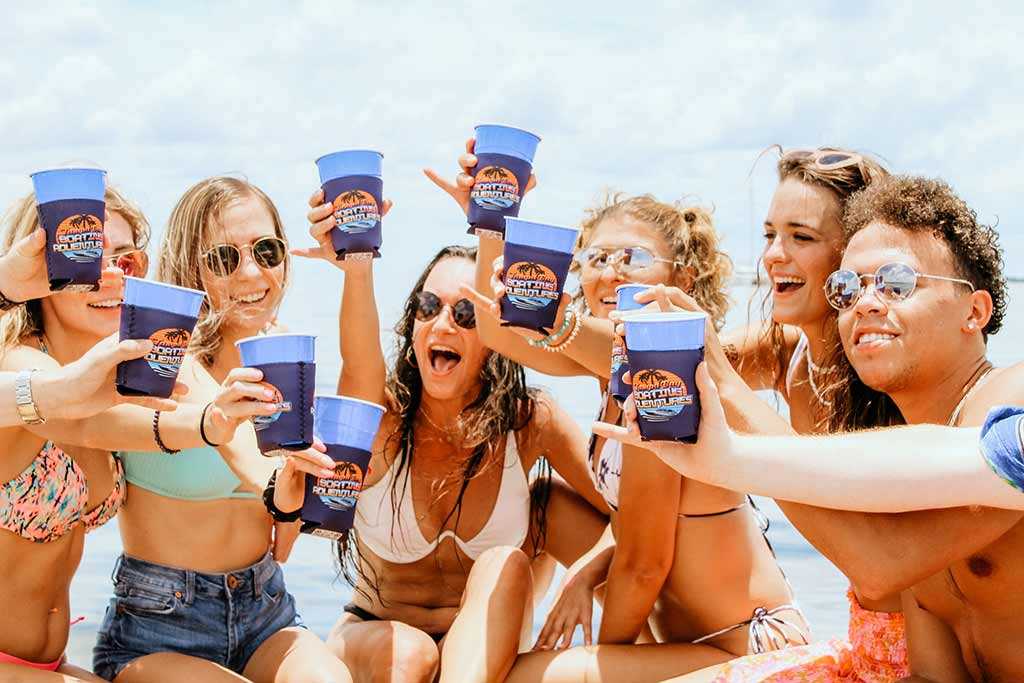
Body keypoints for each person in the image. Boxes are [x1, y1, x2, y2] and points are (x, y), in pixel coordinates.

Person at [602, 175, 1024, 682]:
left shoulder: (1011, 398)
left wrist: (726, 395)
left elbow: (879, 563)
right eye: (846, 289)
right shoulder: (902, 467)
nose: (865, 303)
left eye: (896, 282)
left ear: (974, 311)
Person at [428, 140, 811, 682]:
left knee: (527, 678)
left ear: (683, 280)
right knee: (544, 505)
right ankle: (499, 629)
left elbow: (646, 563)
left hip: (748, 650)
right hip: (687, 636)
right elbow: (499, 330)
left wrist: (598, 659)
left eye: (631, 258)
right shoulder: (615, 366)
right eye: (596, 258)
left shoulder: (666, 378)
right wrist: (492, 223)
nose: (609, 273)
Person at [282, 191, 604, 683]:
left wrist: (583, 576)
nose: (442, 323)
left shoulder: (531, 423)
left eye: (466, 314)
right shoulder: (385, 421)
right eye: (427, 307)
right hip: (378, 638)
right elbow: (360, 370)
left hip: (481, 652)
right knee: (414, 655)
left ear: (495, 337)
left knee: (504, 561)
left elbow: (630, 517)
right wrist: (357, 268)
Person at [91, 177, 353, 683]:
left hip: (264, 610)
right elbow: (234, 443)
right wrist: (283, 488)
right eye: (223, 259)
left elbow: (284, 534)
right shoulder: (165, 358)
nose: (251, 272)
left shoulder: (288, 358)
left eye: (267, 250)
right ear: (192, 266)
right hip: (157, 623)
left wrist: (356, 269)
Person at [0, 185, 213, 680]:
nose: (111, 276)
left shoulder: (112, 368)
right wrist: (209, 424)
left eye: (127, 260)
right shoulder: (20, 365)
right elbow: (88, 417)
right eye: (88, 262)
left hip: (47, 664)